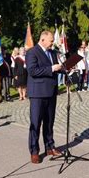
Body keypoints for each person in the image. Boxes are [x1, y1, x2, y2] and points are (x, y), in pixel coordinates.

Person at [26, 31, 63, 164]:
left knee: (49, 122)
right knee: (35, 123)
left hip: (51, 92)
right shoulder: (32, 52)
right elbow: (32, 71)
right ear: (43, 40)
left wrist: (66, 67)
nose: (53, 43)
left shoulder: (52, 53)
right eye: (51, 41)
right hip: (37, 93)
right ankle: (34, 151)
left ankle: (50, 146)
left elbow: (56, 68)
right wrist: (52, 69)